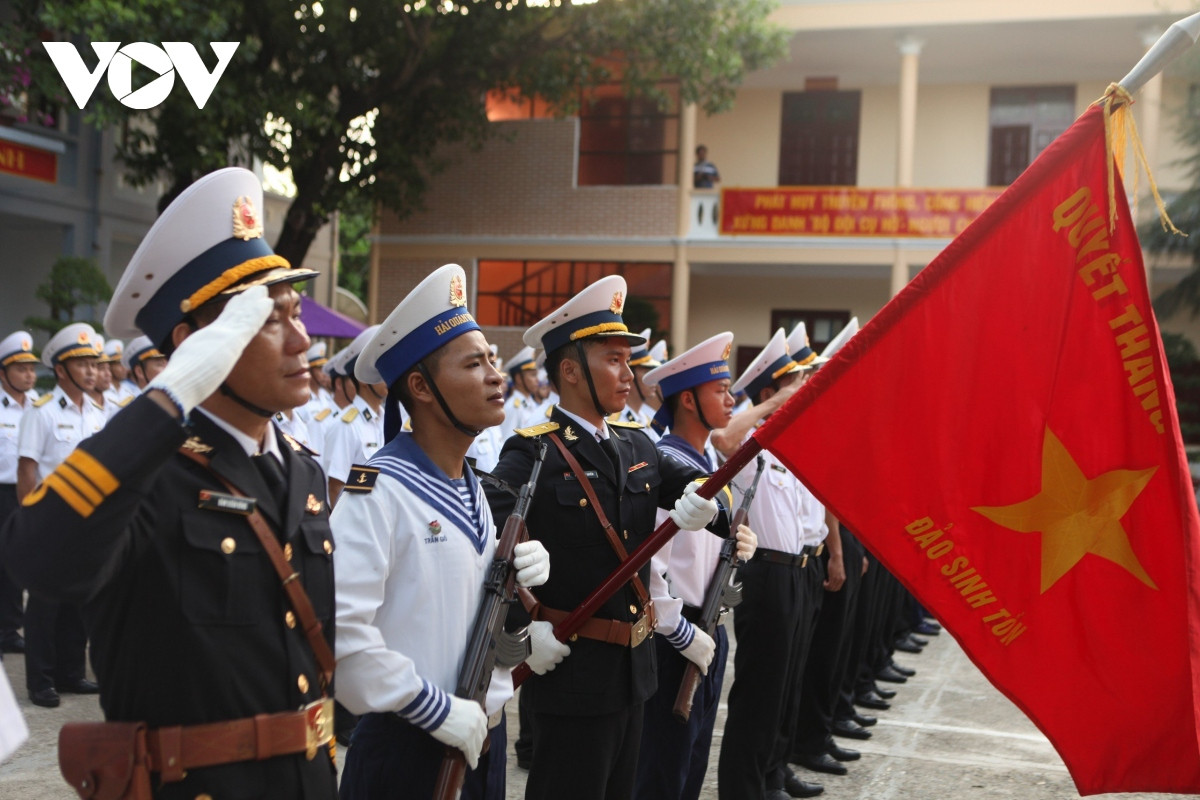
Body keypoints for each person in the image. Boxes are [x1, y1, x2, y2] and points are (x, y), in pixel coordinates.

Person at [0, 166, 339, 798]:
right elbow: (41, 562)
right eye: (267, 320)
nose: (301, 340)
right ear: (193, 344)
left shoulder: (303, 470)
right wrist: (171, 395)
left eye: (295, 313)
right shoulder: (148, 475)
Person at [486, 274, 728, 800]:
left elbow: (710, 490)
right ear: (570, 371)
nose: (628, 374)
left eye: (628, 360)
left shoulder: (635, 444)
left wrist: (708, 504)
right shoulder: (533, 453)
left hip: (635, 671)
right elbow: (487, 546)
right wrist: (522, 630)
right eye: (614, 360)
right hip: (572, 671)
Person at [333, 263, 553, 800]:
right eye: (474, 364)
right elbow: (339, 635)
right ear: (420, 387)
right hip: (408, 746)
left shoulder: (469, 485)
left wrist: (518, 583)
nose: (496, 376)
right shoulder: (378, 490)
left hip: (480, 737)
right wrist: (433, 709)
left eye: (492, 361)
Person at [633, 332, 757, 800]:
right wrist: (681, 633)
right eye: (719, 390)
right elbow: (650, 569)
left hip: (708, 628)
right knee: (661, 772)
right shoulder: (665, 464)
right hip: (674, 636)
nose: (730, 399)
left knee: (691, 765)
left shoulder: (707, 461)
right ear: (687, 399)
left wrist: (739, 543)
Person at [712, 328, 827, 800]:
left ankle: (773, 774)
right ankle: (743, 788)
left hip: (796, 569)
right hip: (765, 573)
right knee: (759, 690)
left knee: (786, 683)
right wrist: (775, 403)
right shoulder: (750, 440)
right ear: (769, 394)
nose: (803, 393)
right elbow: (723, 438)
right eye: (793, 386)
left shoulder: (785, 440)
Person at [16, 322, 106, 708]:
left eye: (94, 364)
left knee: (78, 602)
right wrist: (30, 522)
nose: (91, 371)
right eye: (82, 364)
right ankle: (41, 680)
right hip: (51, 519)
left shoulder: (98, 412)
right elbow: (27, 470)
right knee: (44, 605)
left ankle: (71, 672)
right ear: (61, 370)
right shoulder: (43, 413)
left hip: (89, 521)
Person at [0, 331, 37, 656]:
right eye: (20, 369)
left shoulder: (39, 405)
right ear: (3, 374)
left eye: (31, 369)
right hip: (1, 491)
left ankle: (9, 629)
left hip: (26, 491)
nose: (28, 375)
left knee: (15, 561)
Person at [322, 325, 385, 503]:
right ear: (364, 380)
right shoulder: (346, 426)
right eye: (380, 373)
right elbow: (335, 487)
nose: (388, 378)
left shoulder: (385, 421)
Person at [101, 339, 137, 409]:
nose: (124, 368)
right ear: (110, 366)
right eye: (119, 364)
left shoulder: (129, 389)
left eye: (124, 364)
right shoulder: (103, 391)